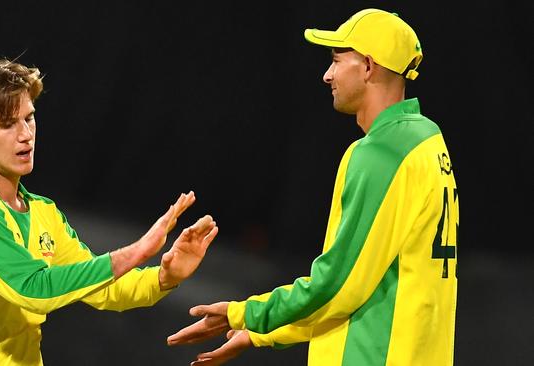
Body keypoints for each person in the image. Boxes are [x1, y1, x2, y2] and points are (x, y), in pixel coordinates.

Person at [167, 8, 458, 366]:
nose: (327, 75)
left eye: (337, 60)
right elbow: (361, 283)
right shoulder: (427, 139)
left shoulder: (379, 154)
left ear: (368, 67)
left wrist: (246, 315)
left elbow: (335, 286)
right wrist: (263, 334)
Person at [0, 56, 219, 365]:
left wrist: (165, 277)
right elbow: (34, 290)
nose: (25, 134)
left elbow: (102, 288)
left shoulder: (42, 212)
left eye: (29, 118)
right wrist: (139, 250)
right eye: (8, 124)